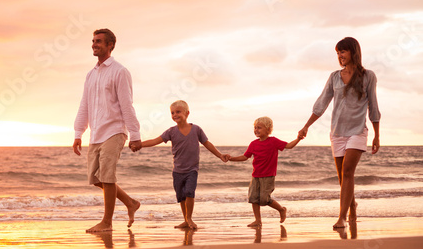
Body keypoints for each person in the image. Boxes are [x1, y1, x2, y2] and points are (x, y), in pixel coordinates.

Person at [298, 37, 381, 229]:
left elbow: (374, 106)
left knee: (348, 171)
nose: (340, 56)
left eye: (342, 51)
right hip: (337, 133)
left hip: (358, 131)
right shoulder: (334, 76)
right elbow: (321, 103)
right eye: (337, 53)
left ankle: (342, 217)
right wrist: (306, 126)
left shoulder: (368, 76)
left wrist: (377, 135)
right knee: (343, 178)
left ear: (353, 51)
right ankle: (352, 206)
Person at [73, 28, 142, 233]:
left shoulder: (120, 71)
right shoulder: (90, 75)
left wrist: (135, 134)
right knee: (95, 178)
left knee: (107, 176)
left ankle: (107, 223)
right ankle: (130, 203)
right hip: (96, 133)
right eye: (93, 41)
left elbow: (127, 105)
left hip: (114, 130)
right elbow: (84, 104)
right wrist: (78, 133)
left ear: (110, 45)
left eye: (99, 41)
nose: (94, 44)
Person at [139, 100, 229, 229]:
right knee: (181, 196)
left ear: (187, 113)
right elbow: (155, 141)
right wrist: (140, 144)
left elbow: (207, 143)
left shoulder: (196, 129)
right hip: (177, 171)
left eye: (178, 112)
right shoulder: (171, 131)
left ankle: (190, 219)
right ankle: (186, 220)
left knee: (189, 192)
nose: (175, 114)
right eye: (172, 112)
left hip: (192, 169)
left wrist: (220, 155)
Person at [228, 116, 302, 227]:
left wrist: (298, 139)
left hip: (268, 176)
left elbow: (288, 146)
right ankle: (258, 220)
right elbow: (245, 157)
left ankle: (281, 210)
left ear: (268, 129)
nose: (256, 130)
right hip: (256, 176)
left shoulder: (273, 141)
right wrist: (230, 158)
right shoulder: (253, 144)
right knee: (253, 198)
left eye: (259, 128)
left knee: (264, 199)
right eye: (255, 128)